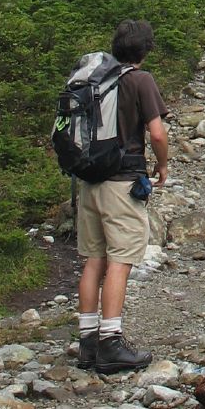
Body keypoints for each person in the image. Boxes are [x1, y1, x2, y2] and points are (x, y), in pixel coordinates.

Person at [76, 18, 169, 374]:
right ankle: (111, 343)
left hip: (90, 182)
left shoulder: (97, 79)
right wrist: (163, 166)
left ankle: (87, 343)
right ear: (146, 50)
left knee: (93, 258)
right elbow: (157, 134)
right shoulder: (139, 80)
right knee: (120, 259)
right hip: (123, 182)